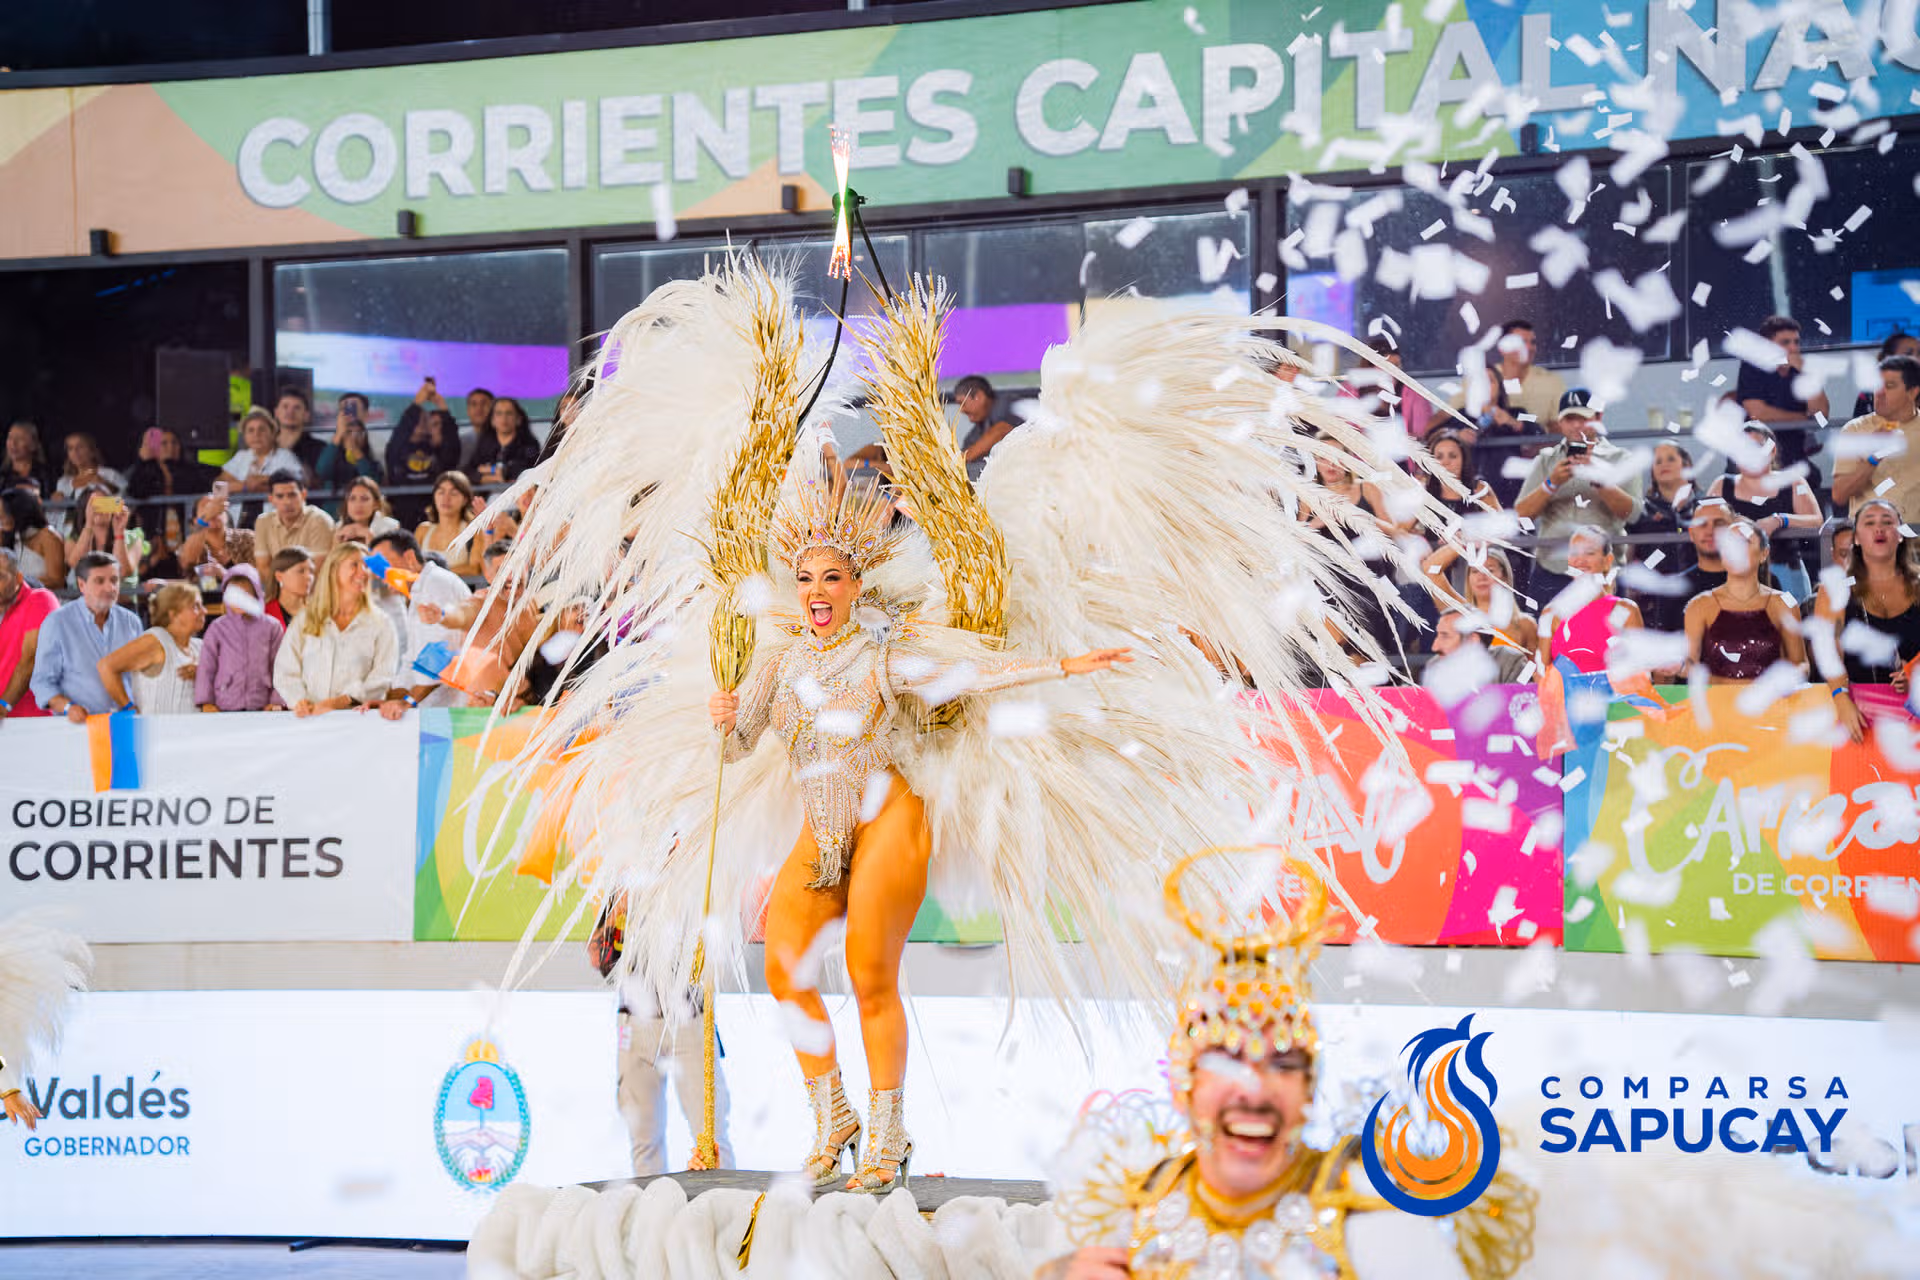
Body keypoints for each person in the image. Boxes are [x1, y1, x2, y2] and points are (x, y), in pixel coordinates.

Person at [703, 476, 1129, 1192]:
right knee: (783, 968)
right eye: (805, 578)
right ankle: (835, 1118)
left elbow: (971, 673)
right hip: (820, 831)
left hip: (889, 816)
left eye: (831, 577)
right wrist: (722, 717)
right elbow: (736, 747)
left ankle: (888, 1132)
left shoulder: (882, 656)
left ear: (855, 587)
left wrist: (1061, 665)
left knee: (869, 971)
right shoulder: (776, 665)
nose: (816, 590)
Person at [1040, 848, 1524, 1280]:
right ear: (1182, 1084)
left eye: (1284, 1063)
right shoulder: (1131, 1214)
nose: (1254, 1088)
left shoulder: (1376, 1223)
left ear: (1310, 1091)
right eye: (1227, 1058)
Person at [590, 889, 734, 1177]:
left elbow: (719, 945)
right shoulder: (625, 883)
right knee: (643, 1140)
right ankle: (653, 1205)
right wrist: (617, 912)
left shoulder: (697, 876)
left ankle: (721, 1201)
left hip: (689, 1021)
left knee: (711, 1136)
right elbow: (599, 958)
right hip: (636, 1025)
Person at [1512, 389, 1645, 607]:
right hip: (1553, 571)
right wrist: (1551, 483)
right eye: (1569, 419)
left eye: (1583, 418)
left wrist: (1600, 482)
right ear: (1560, 422)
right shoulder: (1545, 460)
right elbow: (1520, 515)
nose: (1576, 426)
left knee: (1606, 629)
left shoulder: (1621, 459)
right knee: (1547, 629)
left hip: (1603, 572)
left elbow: (1634, 515)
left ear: (1598, 418)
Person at [1814, 498, 1920, 743]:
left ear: (1900, 534)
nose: (1879, 529)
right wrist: (1841, 698)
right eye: (1869, 523)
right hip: (1858, 713)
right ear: (1857, 538)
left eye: (1887, 522)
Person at [272, 543, 404, 719]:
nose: (363, 572)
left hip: (358, 720)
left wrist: (342, 701)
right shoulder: (306, 619)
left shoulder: (381, 623)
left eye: (366, 566)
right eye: (354, 565)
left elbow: (382, 677)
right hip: (309, 720)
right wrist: (300, 701)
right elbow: (285, 670)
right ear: (334, 570)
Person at [1706, 422, 1824, 602]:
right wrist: (1729, 521)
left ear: (1772, 450)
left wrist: (1780, 520)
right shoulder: (1722, 484)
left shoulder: (1792, 481)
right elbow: (1703, 522)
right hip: (1736, 572)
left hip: (1785, 570)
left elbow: (1816, 521)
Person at [1684, 522, 1806, 684]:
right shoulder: (1699, 605)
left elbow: (1801, 664)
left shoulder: (1784, 604)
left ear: (1764, 553)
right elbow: (1689, 667)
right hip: (1718, 699)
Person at [29, 552, 142, 721]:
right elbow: (42, 682)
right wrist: (68, 707)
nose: (110, 588)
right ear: (81, 585)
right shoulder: (57, 622)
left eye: (114, 580)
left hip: (125, 722)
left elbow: (140, 677)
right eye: (99, 581)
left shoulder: (131, 622)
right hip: (79, 727)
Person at [369, 529, 472, 708]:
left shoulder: (436, 583)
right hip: (434, 708)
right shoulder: (420, 589)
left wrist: (406, 702)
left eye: (383, 565)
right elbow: (412, 660)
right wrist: (389, 700)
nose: (380, 575)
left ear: (409, 557)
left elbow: (441, 655)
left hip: (454, 710)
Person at [1734, 314, 1830, 473]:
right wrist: (1804, 419)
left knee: (1812, 476)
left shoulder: (1802, 370)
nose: (1793, 348)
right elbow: (1758, 414)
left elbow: (1821, 416)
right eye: (1785, 343)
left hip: (1794, 453)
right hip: (1757, 453)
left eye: (1796, 342)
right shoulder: (1753, 366)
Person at [1832, 354, 1920, 518]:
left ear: (1912, 392)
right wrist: (1873, 457)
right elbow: (1840, 495)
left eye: (1890, 386)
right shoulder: (1854, 430)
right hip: (1869, 530)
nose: (1879, 393)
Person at [97, 582, 205, 716]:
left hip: (195, 727)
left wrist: (203, 673)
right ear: (173, 614)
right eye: (196, 607)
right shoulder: (156, 641)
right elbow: (106, 666)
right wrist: (129, 707)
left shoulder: (199, 646)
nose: (204, 611)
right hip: (158, 728)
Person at [1625, 441, 1699, 635]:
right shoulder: (1641, 511)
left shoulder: (1704, 506)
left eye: (1671, 459)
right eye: (1657, 461)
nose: (1664, 464)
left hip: (1699, 596)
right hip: (1653, 603)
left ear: (1686, 465)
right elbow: (1628, 558)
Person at [195, 564, 285, 713]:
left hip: (262, 705)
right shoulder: (218, 628)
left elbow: (281, 666)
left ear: (256, 594)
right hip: (224, 705)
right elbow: (206, 667)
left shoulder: (272, 627)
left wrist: (277, 701)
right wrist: (206, 702)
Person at [127, 426, 218, 565]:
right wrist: (145, 461)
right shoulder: (146, 471)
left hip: (184, 533)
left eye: (174, 442)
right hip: (154, 539)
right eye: (164, 443)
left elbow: (202, 488)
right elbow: (137, 491)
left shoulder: (190, 472)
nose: (170, 447)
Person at [0, 549, 59, 721]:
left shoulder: (40, 599)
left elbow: (31, 660)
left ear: (18, 578)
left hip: (32, 722)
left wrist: (2, 707)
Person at [252, 470, 336, 574]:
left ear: (303, 495)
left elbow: (317, 571)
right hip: (276, 583)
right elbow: (263, 568)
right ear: (271, 499)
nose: (287, 502)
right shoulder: (263, 521)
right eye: (280, 496)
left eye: (292, 495)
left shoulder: (320, 520)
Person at [62, 489, 139, 588]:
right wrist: (89, 524)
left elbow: (122, 571)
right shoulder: (73, 539)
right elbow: (77, 566)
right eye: (94, 505)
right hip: (87, 596)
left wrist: (119, 532)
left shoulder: (133, 537)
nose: (99, 510)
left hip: (122, 596)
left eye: (104, 503)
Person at [416, 470, 484, 577]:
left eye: (453, 493)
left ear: (465, 499)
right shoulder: (423, 530)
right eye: (441, 492)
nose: (446, 498)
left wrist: (434, 573)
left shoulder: (473, 531)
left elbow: (474, 569)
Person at [223, 406, 304, 494]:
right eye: (251, 430)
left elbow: (296, 483)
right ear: (244, 436)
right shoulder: (241, 456)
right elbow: (220, 484)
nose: (256, 435)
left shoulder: (284, 456)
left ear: (273, 433)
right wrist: (245, 486)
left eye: (262, 429)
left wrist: (261, 480)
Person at [466, 396, 542, 487]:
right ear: (492, 420)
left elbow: (527, 471)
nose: (504, 418)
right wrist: (494, 473)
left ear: (518, 419)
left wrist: (489, 470)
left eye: (509, 413)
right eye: (499, 413)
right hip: (487, 494)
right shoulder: (484, 445)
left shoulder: (530, 445)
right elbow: (468, 472)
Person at [0, 489, 67, 588]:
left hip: (42, 595)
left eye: (4, 514)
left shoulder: (48, 537)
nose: (1, 518)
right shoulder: (6, 535)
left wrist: (17, 583)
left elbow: (56, 581)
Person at [315, 400, 385, 489]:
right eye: (349, 432)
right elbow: (321, 472)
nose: (353, 438)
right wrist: (338, 434)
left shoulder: (374, 465)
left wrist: (355, 450)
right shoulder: (332, 460)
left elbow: (372, 482)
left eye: (358, 433)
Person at [1851, 333, 1920, 419]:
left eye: (1919, 354)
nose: (1917, 360)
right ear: (1886, 358)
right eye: (1908, 354)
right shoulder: (1870, 394)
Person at [273, 386, 325, 484]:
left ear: (306, 416)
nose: (290, 412)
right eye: (285, 406)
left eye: (297, 408)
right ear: (276, 413)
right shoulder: (265, 445)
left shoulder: (319, 448)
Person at [54, 432, 127, 500]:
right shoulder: (63, 482)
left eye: (80, 447)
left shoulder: (111, 474)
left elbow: (127, 502)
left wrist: (106, 484)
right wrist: (56, 504)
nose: (75, 451)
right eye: (70, 448)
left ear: (92, 451)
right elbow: (57, 509)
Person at [333, 476, 401, 546]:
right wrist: (336, 542)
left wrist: (369, 536)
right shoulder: (338, 528)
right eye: (352, 499)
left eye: (364, 499)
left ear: (376, 504)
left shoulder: (391, 527)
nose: (358, 505)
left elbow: (386, 554)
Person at [264, 546, 316, 628]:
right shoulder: (265, 614)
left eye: (311, 571)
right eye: (301, 571)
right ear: (279, 576)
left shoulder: (319, 612)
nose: (309, 577)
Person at [3, 420, 55, 495]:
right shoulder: (2, 476)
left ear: (33, 445)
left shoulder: (47, 474)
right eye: (10, 438)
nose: (13, 443)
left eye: (20, 438)